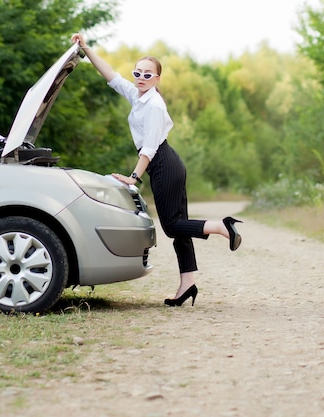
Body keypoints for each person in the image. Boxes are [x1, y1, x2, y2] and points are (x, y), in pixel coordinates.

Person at [71, 33, 242, 307]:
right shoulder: (138, 96)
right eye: (137, 73)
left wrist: (134, 177)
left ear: (157, 79)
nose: (141, 77)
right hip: (168, 165)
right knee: (180, 229)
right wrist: (86, 49)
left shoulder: (153, 105)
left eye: (148, 74)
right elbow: (112, 76)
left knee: (173, 226)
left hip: (164, 164)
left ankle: (222, 226)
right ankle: (188, 283)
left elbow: (149, 149)